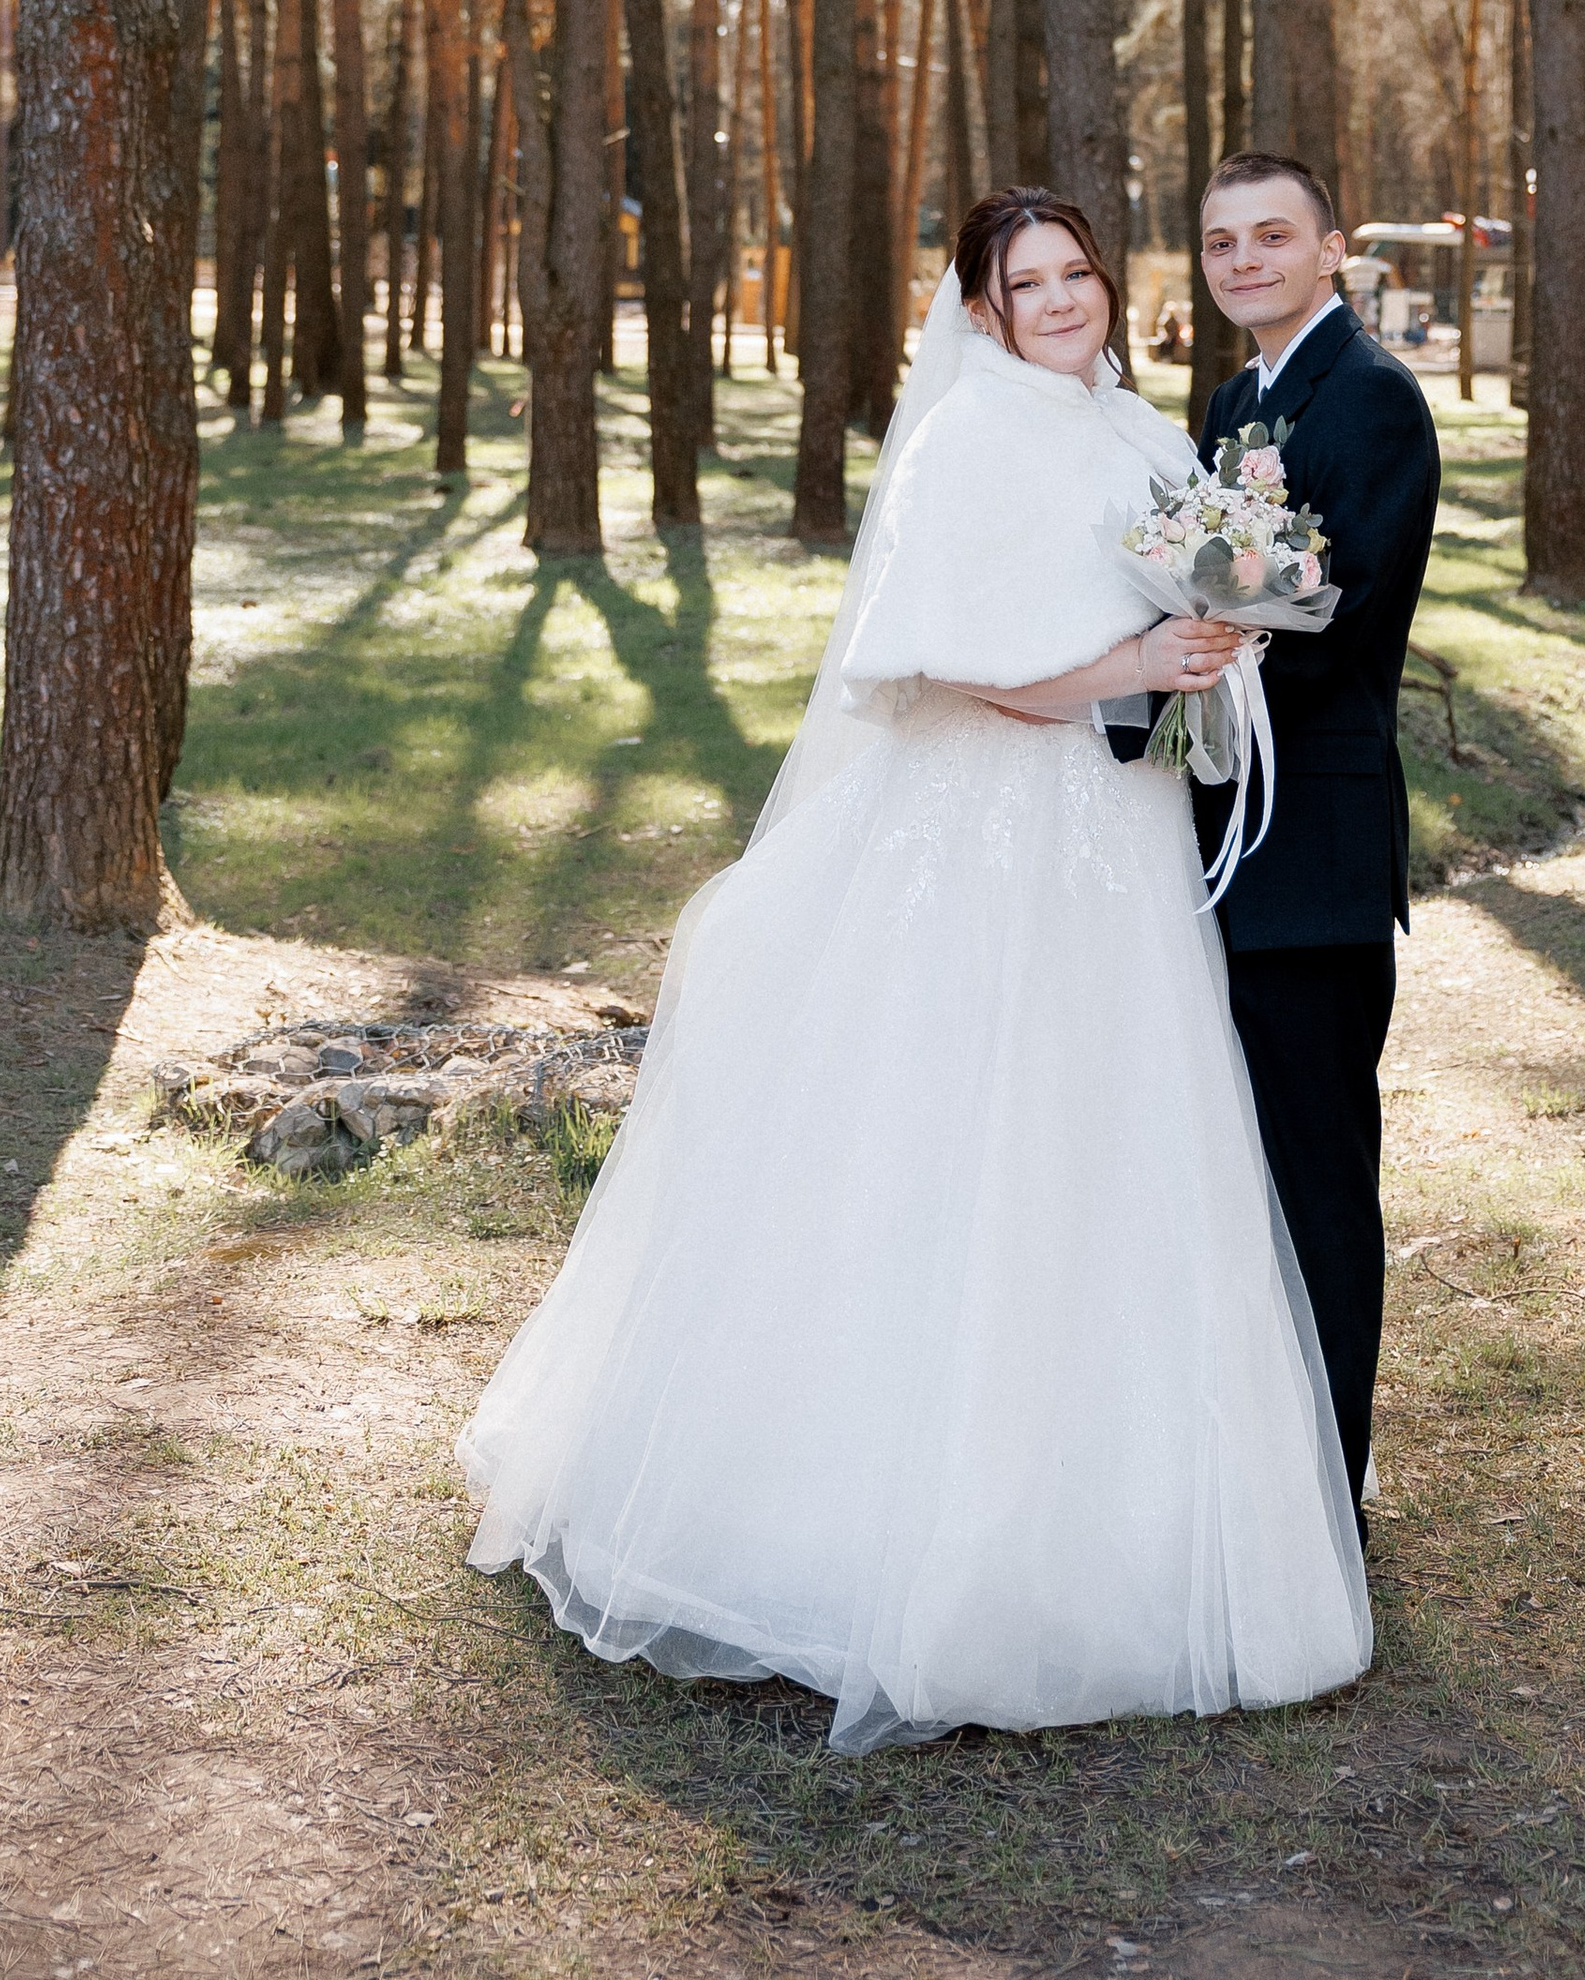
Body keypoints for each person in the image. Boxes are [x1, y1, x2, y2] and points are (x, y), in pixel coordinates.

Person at [460, 186, 1371, 1754]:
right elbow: (942, 662)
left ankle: (1132, 1521)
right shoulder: (970, 439)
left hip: (1125, 834)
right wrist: (1126, 670)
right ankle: (884, 1532)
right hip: (993, 838)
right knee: (959, 1142)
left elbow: (1189, 592)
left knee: (1115, 1151)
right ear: (986, 309)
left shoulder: (1146, 432)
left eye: (1080, 272)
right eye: (1030, 284)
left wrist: (1217, 644)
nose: (1064, 300)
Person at [1187, 153, 1439, 1528]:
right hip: (1222, 825)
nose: (1243, 261)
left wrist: (1200, 660)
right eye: (1221, 241)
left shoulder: (1375, 400)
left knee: (1322, 1177)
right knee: (1238, 1169)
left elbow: (1334, 614)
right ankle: (1253, 1462)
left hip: (1316, 853)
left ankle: (1327, 1496)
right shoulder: (1237, 401)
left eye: (1271, 236)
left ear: (1331, 250)